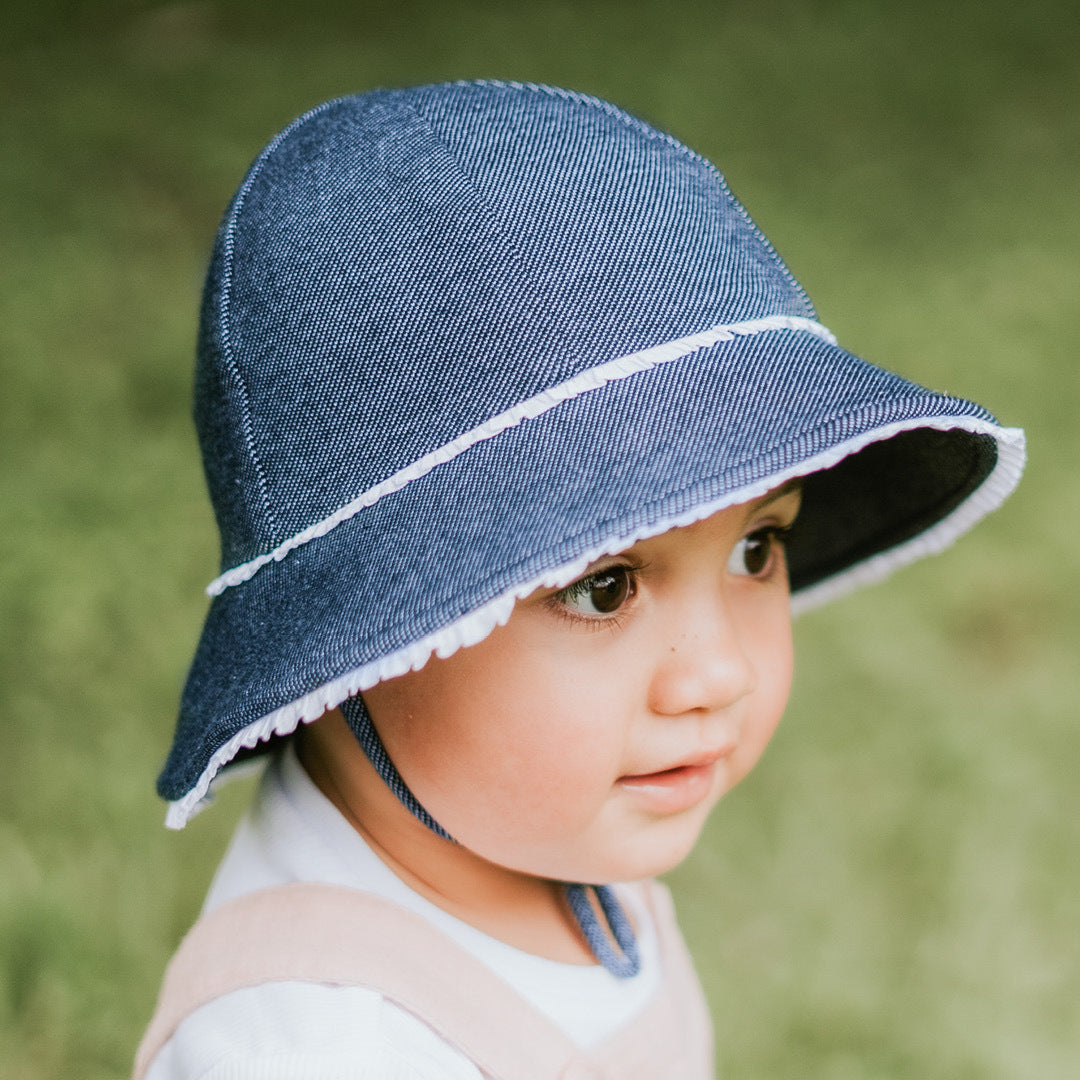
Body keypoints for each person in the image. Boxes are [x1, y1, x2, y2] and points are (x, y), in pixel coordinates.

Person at [135, 81, 1025, 1079]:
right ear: (366, 636)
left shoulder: (544, 834)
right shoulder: (318, 1046)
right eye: (605, 588)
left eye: (756, 548)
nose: (718, 673)